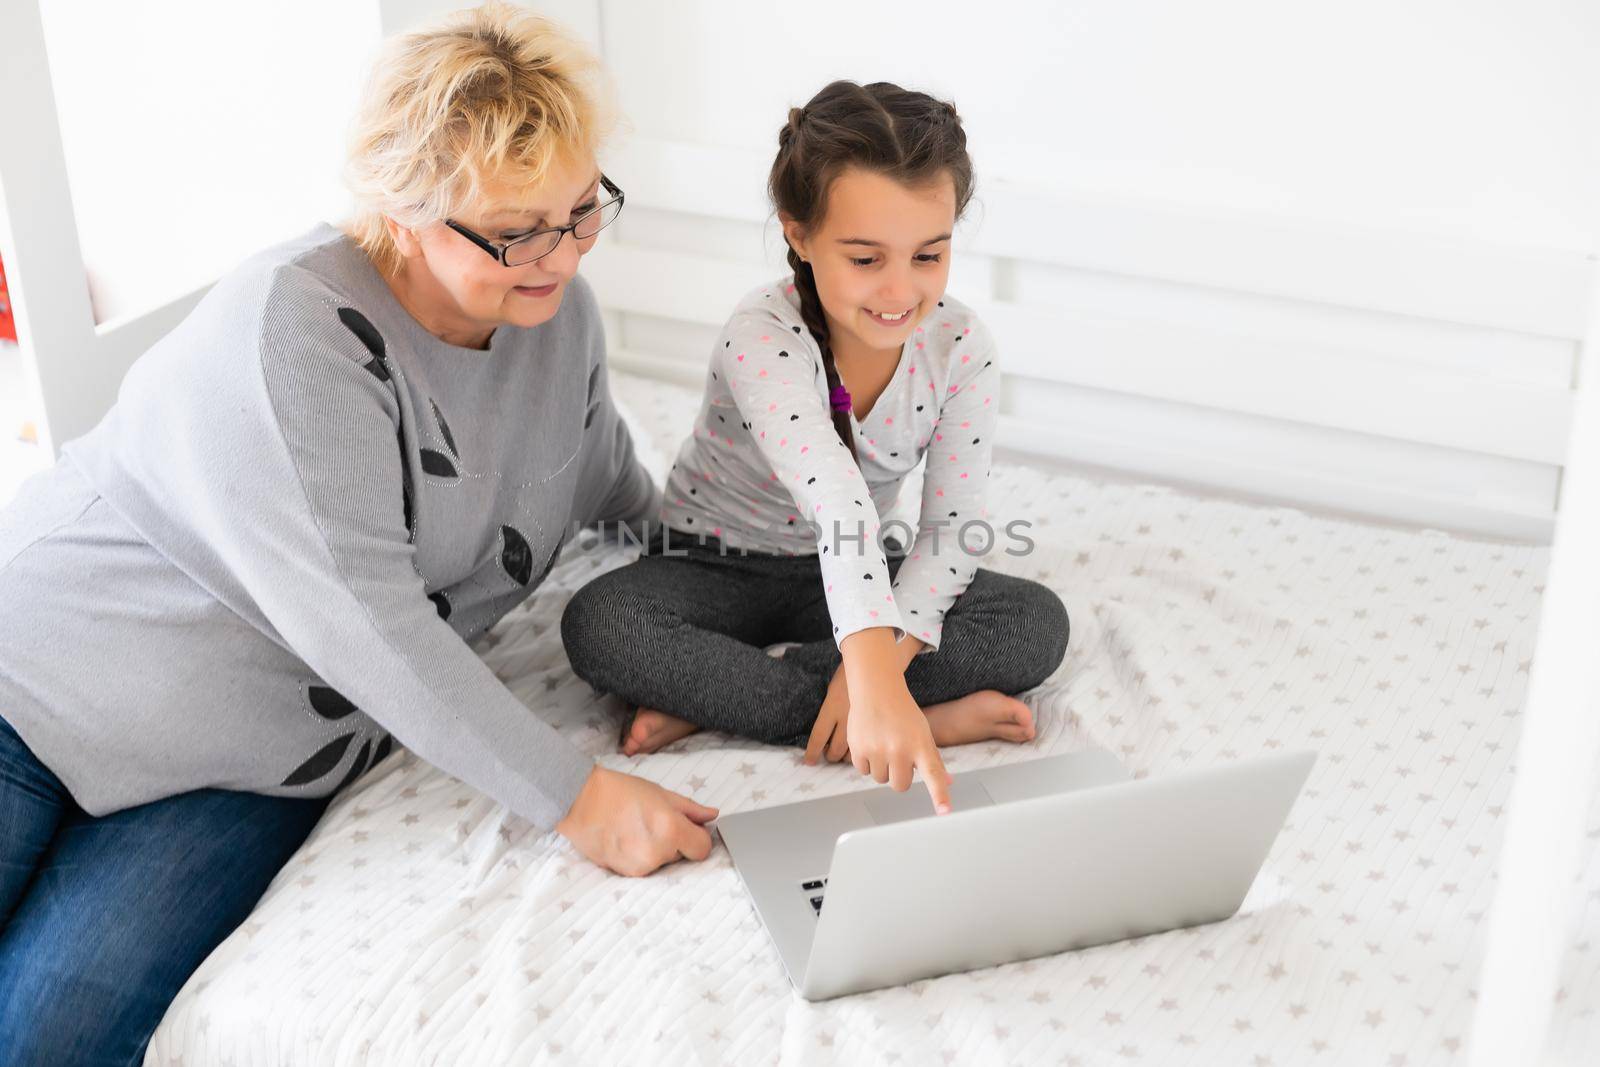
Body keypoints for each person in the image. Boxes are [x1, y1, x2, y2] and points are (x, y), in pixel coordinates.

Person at [0, 6, 715, 1062]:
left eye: (579, 210)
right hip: (41, 680)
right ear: (401, 208)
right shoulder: (296, 332)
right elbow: (370, 624)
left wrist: (755, 602)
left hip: (243, 765)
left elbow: (609, 483)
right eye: (513, 230)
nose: (558, 257)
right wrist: (579, 799)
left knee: (52, 1034)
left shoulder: (556, 319)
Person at [562, 80, 1070, 812]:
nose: (901, 290)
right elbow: (837, 500)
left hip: (852, 574)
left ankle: (758, 698)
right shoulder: (762, 335)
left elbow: (949, 531)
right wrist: (873, 677)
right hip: (714, 565)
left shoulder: (961, 346)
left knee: (1034, 623)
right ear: (798, 233)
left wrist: (882, 665)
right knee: (601, 625)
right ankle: (899, 717)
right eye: (866, 259)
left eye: (928, 255)